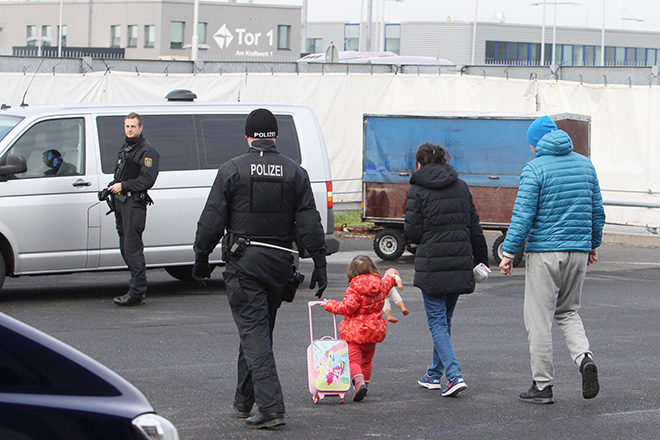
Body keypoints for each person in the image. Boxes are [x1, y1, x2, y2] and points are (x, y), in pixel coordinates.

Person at [192, 108, 328, 429]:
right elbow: (309, 222)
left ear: (248, 136)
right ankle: (243, 401)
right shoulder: (296, 173)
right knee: (257, 330)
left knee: (254, 333)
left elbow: (211, 220)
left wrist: (200, 259)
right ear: (276, 136)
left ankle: (271, 407)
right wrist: (320, 263)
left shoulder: (232, 170)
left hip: (245, 264)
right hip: (280, 264)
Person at [499, 115, 605, 404]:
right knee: (568, 311)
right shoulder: (585, 164)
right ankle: (584, 359)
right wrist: (592, 244)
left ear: (535, 144)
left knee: (539, 318)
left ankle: (542, 385)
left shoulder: (534, 169)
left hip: (546, 252)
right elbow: (597, 211)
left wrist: (508, 253)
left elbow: (523, 216)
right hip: (579, 252)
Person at [404, 143, 488, 397]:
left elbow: (413, 231)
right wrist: (481, 260)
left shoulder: (417, 190)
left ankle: (453, 375)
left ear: (419, 163)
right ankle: (433, 375)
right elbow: (474, 226)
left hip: (433, 263)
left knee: (438, 323)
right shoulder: (460, 186)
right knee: (444, 322)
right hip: (460, 261)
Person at [321, 255, 400, 402]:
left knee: (353, 361)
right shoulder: (381, 285)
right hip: (373, 332)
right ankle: (365, 385)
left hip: (355, 334)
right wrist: (393, 273)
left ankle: (359, 382)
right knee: (367, 360)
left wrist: (329, 304)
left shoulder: (354, 289)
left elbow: (346, 308)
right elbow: (390, 280)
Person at [108, 113, 159, 306]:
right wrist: (111, 188)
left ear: (140, 127)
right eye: (127, 126)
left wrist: (124, 186)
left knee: (132, 248)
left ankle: (137, 292)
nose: (129, 129)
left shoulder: (147, 151)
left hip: (134, 205)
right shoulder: (126, 149)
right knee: (125, 247)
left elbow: (147, 179)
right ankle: (135, 288)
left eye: (133, 126)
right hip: (122, 203)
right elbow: (121, 175)